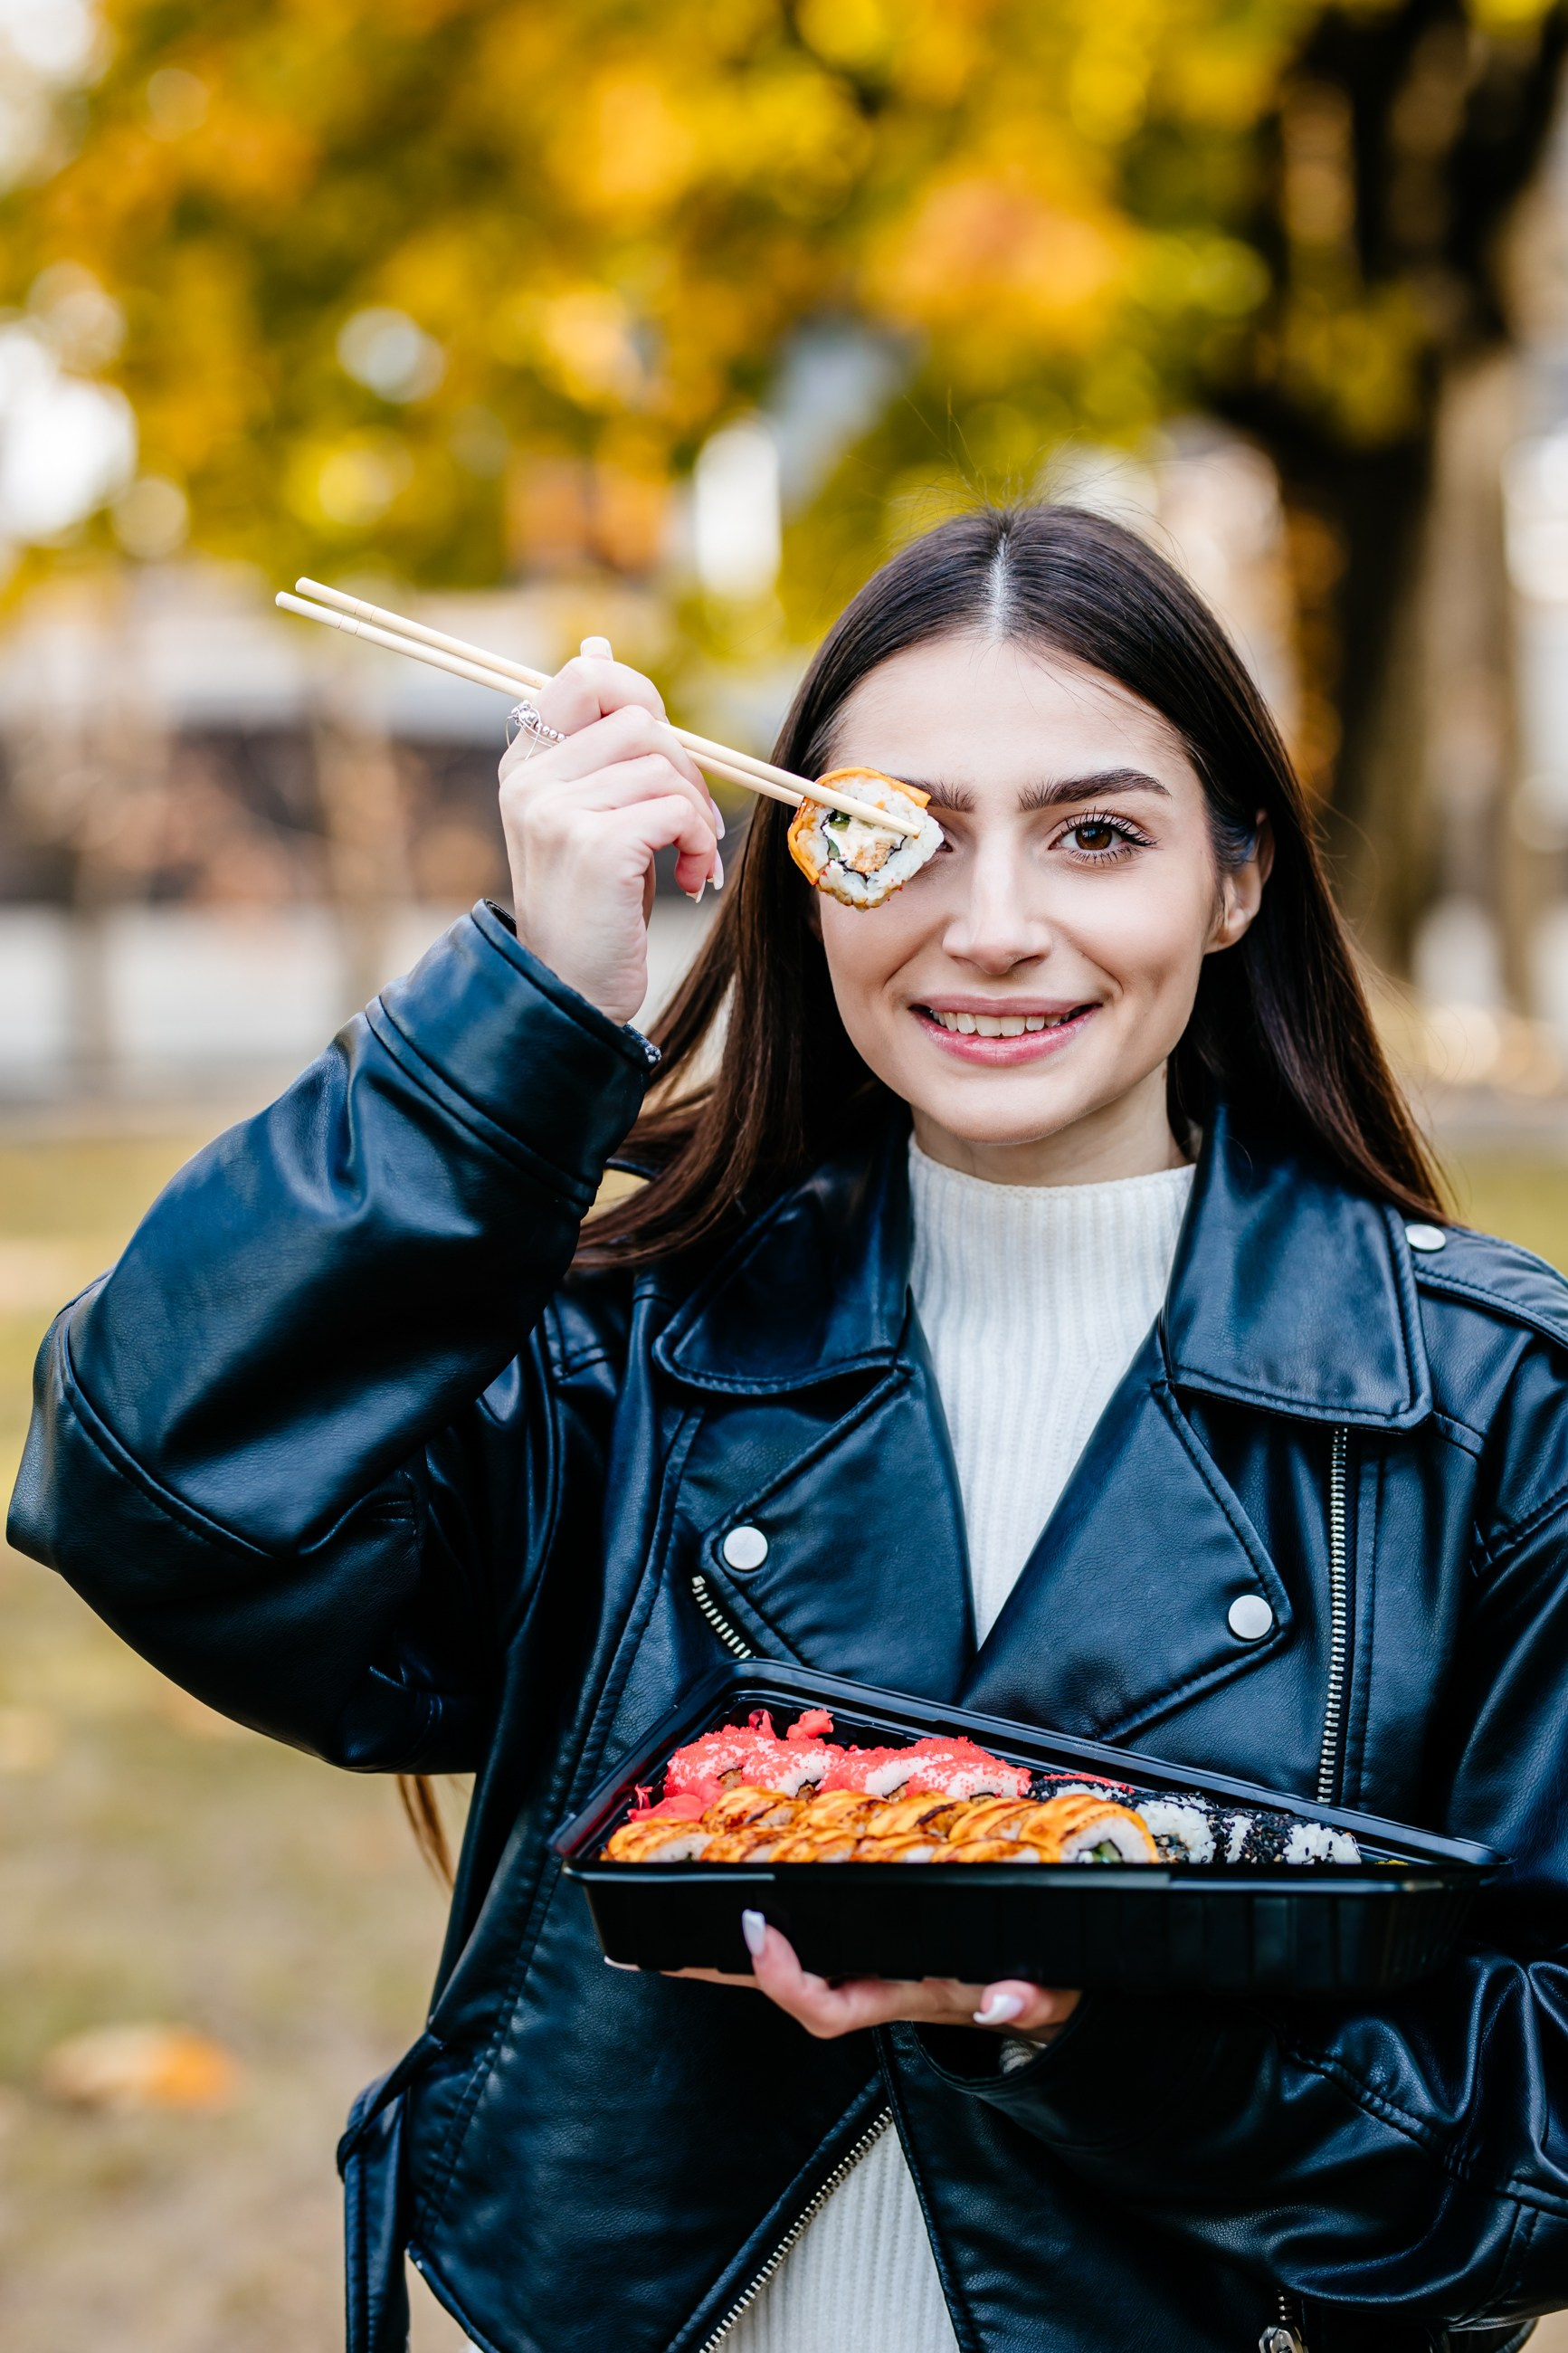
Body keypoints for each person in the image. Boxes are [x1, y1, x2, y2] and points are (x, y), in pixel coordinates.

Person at [11, 504, 1568, 2353]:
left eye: (1096, 834)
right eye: (893, 834)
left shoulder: (1482, 1404)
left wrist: (1088, 2014)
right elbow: (149, 1487)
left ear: (1236, 877)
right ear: (799, 862)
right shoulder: (627, 1347)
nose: (994, 929)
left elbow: (1534, 2159)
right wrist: (531, 1007)